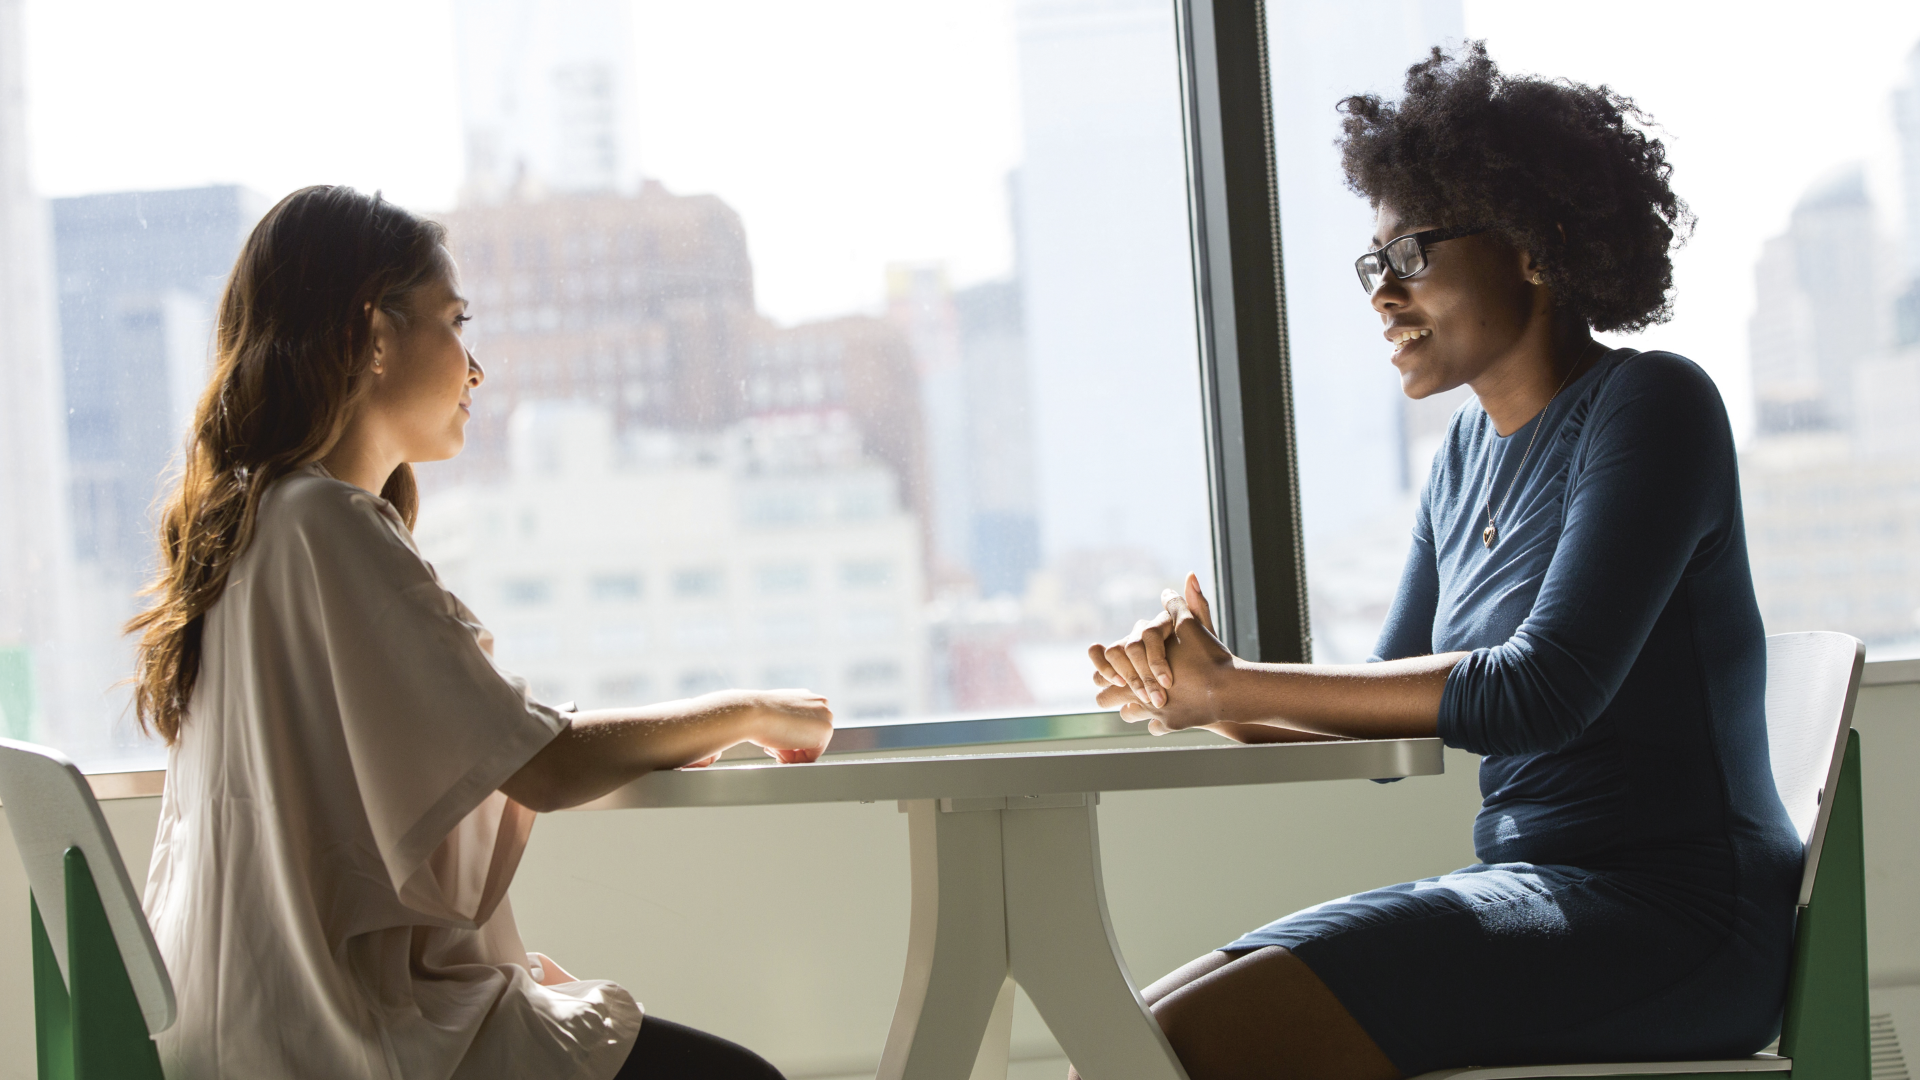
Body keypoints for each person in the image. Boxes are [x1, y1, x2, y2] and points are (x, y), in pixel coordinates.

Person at [1087, 44, 1800, 1080]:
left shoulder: (1652, 406)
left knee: (1178, 1052)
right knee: (1122, 1042)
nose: (1383, 295)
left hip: (1676, 918)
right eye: (1373, 265)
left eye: (1411, 255)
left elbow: (1542, 692)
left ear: (1534, 247)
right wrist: (1207, 698)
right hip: (1532, 890)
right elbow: (1389, 724)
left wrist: (1238, 683)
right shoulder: (1462, 459)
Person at [130, 185, 834, 1080]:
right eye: (456, 322)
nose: (476, 368)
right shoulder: (326, 526)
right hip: (347, 1039)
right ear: (373, 335)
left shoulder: (251, 527)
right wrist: (748, 710)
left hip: (247, 1033)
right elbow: (542, 763)